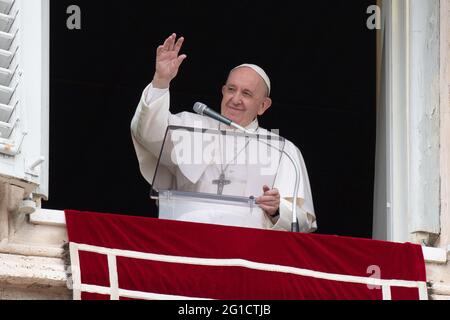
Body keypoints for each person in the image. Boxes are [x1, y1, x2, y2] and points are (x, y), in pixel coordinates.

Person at [131, 33, 317, 232]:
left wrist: (277, 210)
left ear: (263, 105)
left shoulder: (281, 150)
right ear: (223, 91)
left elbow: (303, 222)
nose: (235, 99)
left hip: (247, 249)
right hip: (187, 237)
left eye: (246, 93)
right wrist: (161, 81)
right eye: (231, 89)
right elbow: (148, 132)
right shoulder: (190, 127)